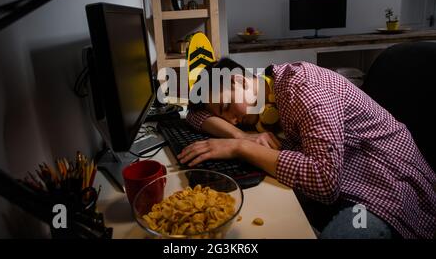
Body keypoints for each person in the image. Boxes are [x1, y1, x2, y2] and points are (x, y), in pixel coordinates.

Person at [179, 58, 436, 239]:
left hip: (387, 187)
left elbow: (323, 181)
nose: (231, 120)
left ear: (238, 81)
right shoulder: (260, 101)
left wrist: (239, 148)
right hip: (344, 180)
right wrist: (237, 133)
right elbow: (193, 116)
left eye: (226, 108)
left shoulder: (305, 91)